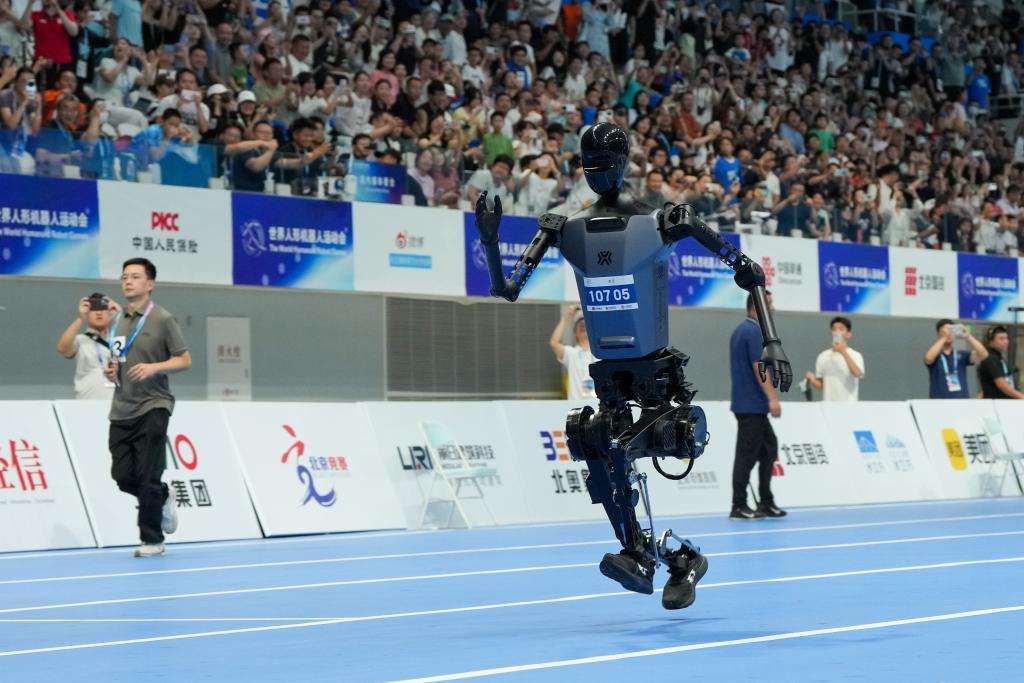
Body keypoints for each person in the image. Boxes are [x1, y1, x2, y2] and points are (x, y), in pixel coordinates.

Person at [103, 258, 192, 558]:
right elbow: (117, 360)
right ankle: (163, 496)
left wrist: (154, 368)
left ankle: (152, 540)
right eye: (124, 276)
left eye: (135, 276)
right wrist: (111, 372)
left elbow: (184, 359)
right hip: (121, 408)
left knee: (147, 475)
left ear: (150, 284)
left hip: (154, 405)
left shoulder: (163, 319)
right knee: (122, 476)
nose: (128, 281)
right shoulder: (117, 321)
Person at [729, 291, 786, 520]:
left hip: (752, 406)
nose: (773, 308)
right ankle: (739, 505)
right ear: (757, 306)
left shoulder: (743, 330)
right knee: (746, 456)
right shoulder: (753, 331)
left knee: (769, 448)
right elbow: (758, 367)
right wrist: (773, 398)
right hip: (751, 405)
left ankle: (765, 501)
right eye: (769, 303)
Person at [55, 293, 116, 400]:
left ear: (110, 312)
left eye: (103, 308)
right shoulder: (80, 340)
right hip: (87, 401)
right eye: (93, 309)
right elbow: (62, 348)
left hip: (118, 403)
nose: (99, 313)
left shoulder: (119, 340)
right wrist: (80, 318)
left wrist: (120, 316)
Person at [804, 316, 865, 401]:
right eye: (834, 329)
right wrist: (813, 380)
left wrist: (843, 352)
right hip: (828, 405)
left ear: (848, 334)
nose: (837, 332)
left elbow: (857, 373)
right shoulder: (823, 356)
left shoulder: (855, 355)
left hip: (849, 405)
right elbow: (821, 385)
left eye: (841, 329)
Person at [924, 319, 988, 399]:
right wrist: (943, 338)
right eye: (946, 331)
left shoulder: (961, 354)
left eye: (951, 330)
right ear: (938, 333)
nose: (949, 333)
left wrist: (968, 336)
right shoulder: (935, 354)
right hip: (939, 402)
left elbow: (984, 355)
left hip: (961, 401)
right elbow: (928, 359)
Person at [548, 304, 596, 400]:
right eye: (580, 325)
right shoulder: (571, 353)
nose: (583, 326)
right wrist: (565, 318)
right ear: (575, 333)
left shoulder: (599, 353)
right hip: (576, 404)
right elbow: (554, 343)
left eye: (585, 324)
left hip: (598, 404)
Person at [978, 325, 1024, 399]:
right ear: (991, 341)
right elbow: (1001, 384)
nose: (1005, 342)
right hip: (996, 402)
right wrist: (1021, 396)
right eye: (1001, 339)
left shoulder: (999, 358)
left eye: (1006, 338)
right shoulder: (991, 358)